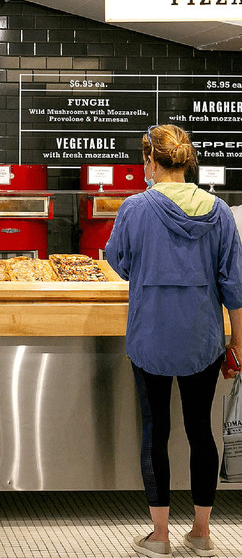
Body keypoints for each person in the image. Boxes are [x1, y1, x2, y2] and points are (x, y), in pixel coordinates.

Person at [105, 124, 242, 558]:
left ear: (150, 160)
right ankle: (201, 532)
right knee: (201, 431)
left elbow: (119, 261)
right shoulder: (220, 211)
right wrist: (238, 342)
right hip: (202, 337)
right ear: (187, 162)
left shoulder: (134, 208)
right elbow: (234, 284)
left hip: (150, 336)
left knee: (155, 431)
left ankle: (160, 535)